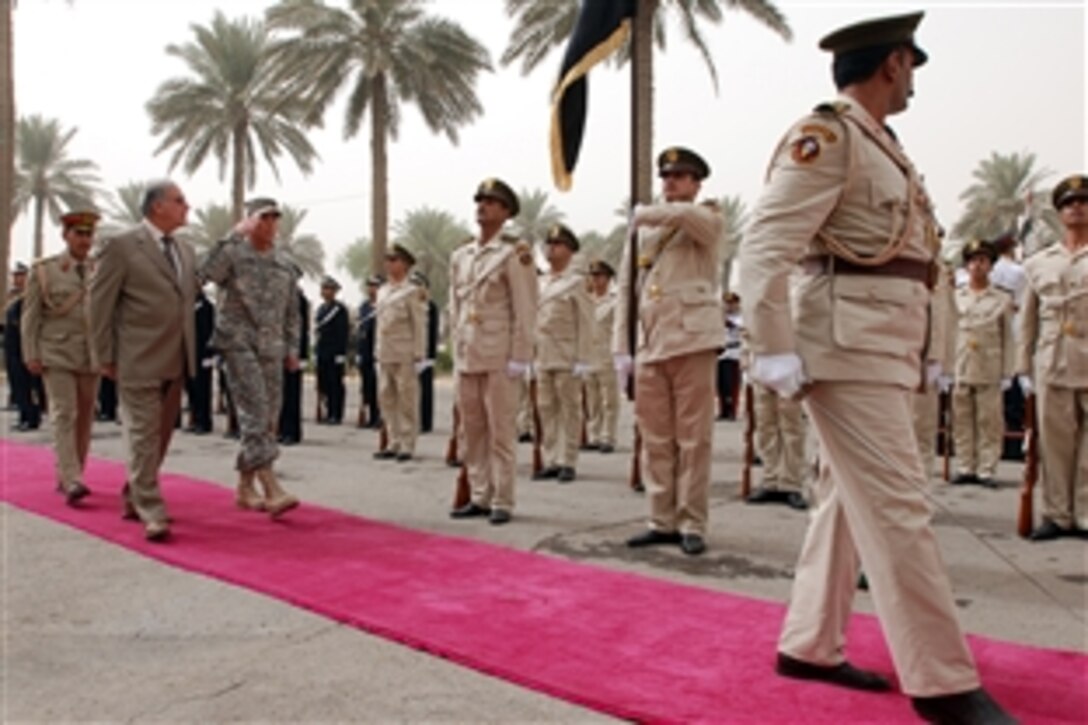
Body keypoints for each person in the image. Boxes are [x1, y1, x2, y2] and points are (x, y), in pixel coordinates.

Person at [738, 13, 1013, 723]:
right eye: (912, 66)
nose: (914, 80)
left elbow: (908, 263)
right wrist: (769, 347)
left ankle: (809, 643)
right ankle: (943, 682)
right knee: (899, 506)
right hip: (846, 346)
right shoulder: (828, 137)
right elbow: (764, 244)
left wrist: (926, 354)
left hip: (879, 343)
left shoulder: (882, 145)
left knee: (845, 499)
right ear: (893, 63)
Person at [613, 147, 724, 557]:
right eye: (667, 177)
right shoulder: (644, 229)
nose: (671, 183)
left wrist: (649, 212)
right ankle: (662, 519)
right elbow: (627, 289)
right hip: (651, 342)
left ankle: (692, 521)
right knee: (657, 437)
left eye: (681, 177)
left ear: (697, 184)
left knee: (694, 438)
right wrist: (621, 348)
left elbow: (693, 221)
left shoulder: (706, 217)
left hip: (692, 340)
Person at [89, 180, 196, 542]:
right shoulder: (121, 246)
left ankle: (134, 494)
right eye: (179, 201)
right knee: (143, 433)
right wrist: (102, 355)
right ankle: (153, 508)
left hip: (176, 357)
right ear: (157, 207)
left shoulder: (184, 248)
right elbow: (99, 304)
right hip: (136, 358)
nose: (187, 206)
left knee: (160, 436)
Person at [199, 197, 301, 518]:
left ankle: (245, 486)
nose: (269, 225)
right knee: (255, 410)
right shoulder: (232, 253)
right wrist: (232, 234)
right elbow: (204, 273)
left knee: (268, 417)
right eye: (263, 218)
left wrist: (293, 348)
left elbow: (291, 313)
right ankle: (271, 486)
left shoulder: (284, 263)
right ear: (249, 221)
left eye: (274, 219)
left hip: (271, 347)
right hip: (238, 342)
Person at [449, 178, 537, 525]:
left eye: (491, 202)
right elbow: (455, 307)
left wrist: (521, 355)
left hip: (500, 355)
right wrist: (456, 348)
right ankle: (480, 495)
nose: (482, 206)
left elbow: (526, 307)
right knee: (471, 432)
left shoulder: (515, 253)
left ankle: (503, 499)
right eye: (480, 201)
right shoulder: (461, 255)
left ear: (505, 212)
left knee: (501, 431)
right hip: (468, 353)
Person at [1018, 174, 1088, 541]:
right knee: (1054, 442)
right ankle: (1057, 514)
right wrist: (1022, 369)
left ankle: (1085, 514)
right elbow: (1026, 320)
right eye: (1069, 204)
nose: (1076, 208)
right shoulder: (1039, 262)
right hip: (1052, 361)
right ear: (1060, 213)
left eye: (1082, 202)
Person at [21, 210, 100, 505]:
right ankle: (72, 479)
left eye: (89, 234)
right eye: (79, 234)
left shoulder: (100, 269)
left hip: (90, 355)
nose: (85, 240)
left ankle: (72, 471)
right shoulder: (44, 270)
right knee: (64, 413)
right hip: (56, 352)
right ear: (65, 236)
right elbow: (31, 317)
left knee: (84, 418)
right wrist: (31, 353)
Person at [532, 224, 593, 483]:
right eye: (549, 244)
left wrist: (583, 357)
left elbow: (587, 322)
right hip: (543, 354)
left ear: (569, 250)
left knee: (569, 408)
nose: (550, 249)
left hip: (567, 354)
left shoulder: (577, 282)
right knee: (546, 408)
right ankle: (551, 459)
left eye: (557, 245)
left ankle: (568, 460)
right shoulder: (540, 282)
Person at [952, 240, 1014, 487]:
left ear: (991, 266)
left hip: (989, 366)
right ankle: (965, 465)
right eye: (973, 261)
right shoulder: (956, 296)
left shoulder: (1002, 299)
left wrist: (1010, 371)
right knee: (961, 420)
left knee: (989, 421)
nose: (977, 266)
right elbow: (949, 333)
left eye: (983, 261)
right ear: (966, 266)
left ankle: (986, 469)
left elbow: (1009, 336)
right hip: (962, 364)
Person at [373, 243, 426, 462]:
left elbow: (420, 324)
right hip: (385, 352)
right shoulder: (383, 291)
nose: (389, 263)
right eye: (387, 259)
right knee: (386, 397)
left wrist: (419, 353)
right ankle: (393, 440)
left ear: (404, 264)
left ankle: (407, 444)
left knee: (406, 399)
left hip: (405, 352)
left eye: (393, 260)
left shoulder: (413, 291)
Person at [746, 384, 808, 510]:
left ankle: (791, 483)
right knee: (765, 425)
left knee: (792, 428)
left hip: (789, 372)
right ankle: (770, 480)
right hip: (763, 371)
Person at [584, 258, 619, 453]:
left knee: (609, 400)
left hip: (607, 354)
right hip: (588, 355)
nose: (595, 280)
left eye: (599, 276)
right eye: (592, 276)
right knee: (592, 400)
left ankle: (608, 436)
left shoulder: (615, 301)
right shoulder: (586, 301)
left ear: (607, 278)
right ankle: (594, 435)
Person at [5, 262, 42, 431]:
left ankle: (31, 417)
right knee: (18, 384)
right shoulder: (14, 298)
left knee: (29, 385)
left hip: (25, 348)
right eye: (15, 276)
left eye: (21, 276)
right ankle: (23, 415)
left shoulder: (29, 299)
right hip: (12, 348)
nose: (17, 280)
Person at [278, 282, 309, 445]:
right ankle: (282, 429)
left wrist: (301, 355)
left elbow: (302, 330)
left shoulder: (298, 299)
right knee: (280, 394)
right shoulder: (279, 296)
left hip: (293, 353)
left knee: (292, 394)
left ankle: (292, 431)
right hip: (279, 352)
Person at [315, 275, 348, 424]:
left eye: (328, 289)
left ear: (335, 292)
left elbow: (343, 332)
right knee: (324, 383)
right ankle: (327, 411)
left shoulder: (339, 310)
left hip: (335, 352)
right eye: (323, 288)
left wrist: (341, 353)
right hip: (322, 351)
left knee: (335, 383)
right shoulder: (321, 309)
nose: (325, 291)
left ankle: (336, 413)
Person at [185, 287, 216, 434]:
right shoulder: (187, 307)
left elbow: (210, 332)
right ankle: (195, 418)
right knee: (191, 388)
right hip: (189, 353)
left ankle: (204, 421)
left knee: (203, 389)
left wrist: (210, 355)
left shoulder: (206, 307)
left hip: (203, 355)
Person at [412, 270, 439, 433]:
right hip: (410, 353)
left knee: (425, 390)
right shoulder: (409, 305)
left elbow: (432, 332)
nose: (416, 289)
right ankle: (413, 420)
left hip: (425, 355)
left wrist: (430, 357)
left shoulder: (431, 306)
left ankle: (426, 422)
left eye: (418, 285)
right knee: (411, 390)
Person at [356, 275, 382, 429]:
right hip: (365, 352)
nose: (372, 289)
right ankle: (369, 416)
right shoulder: (364, 306)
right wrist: (359, 352)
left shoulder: (383, 305)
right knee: (366, 386)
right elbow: (361, 331)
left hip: (378, 352)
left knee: (378, 386)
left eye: (375, 286)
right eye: (370, 286)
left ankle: (378, 417)